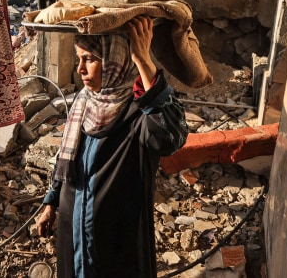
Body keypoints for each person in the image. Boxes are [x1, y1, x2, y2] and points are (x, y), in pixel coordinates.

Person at [37, 16, 189, 278]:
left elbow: (170, 137)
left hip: (116, 244)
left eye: (90, 59)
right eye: (79, 58)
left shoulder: (139, 111)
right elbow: (67, 158)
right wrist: (52, 201)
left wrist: (143, 60)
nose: (80, 69)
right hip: (72, 231)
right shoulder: (83, 104)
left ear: (115, 61)